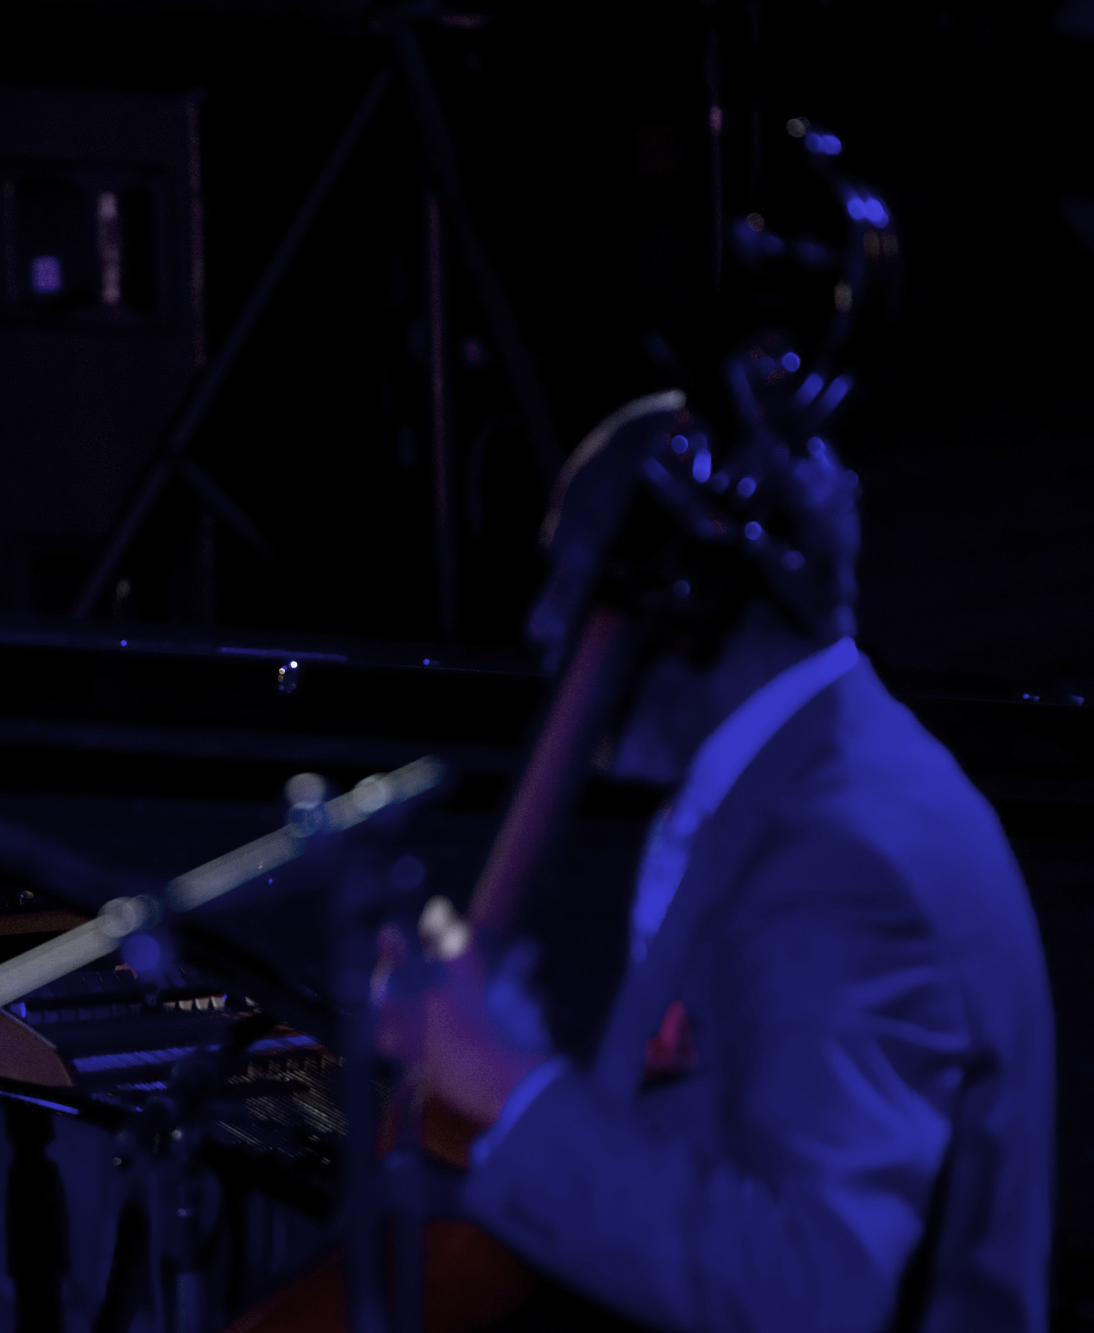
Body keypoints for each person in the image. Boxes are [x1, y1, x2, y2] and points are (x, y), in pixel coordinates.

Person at [373, 393, 1054, 1331]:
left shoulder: (841, 852)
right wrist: (532, 1072)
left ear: (691, 597)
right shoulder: (806, 786)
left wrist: (508, 1085)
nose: (543, 625)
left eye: (570, 579)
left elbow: (812, 1287)